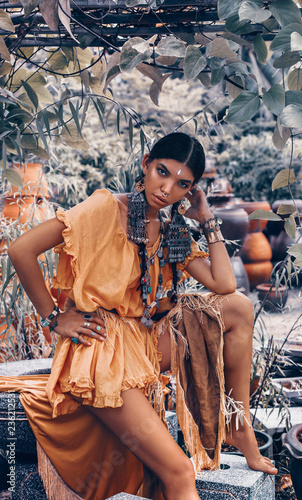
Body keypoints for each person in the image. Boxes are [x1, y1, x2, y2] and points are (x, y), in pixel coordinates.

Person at [5, 132, 277, 500]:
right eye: (161, 172)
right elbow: (21, 249)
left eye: (182, 184)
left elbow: (224, 284)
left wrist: (206, 217)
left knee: (239, 308)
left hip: (142, 338)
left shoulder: (170, 230)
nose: (166, 189)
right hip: (100, 352)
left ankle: (237, 425)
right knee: (180, 473)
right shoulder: (105, 208)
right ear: (146, 163)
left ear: (191, 190)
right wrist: (54, 318)